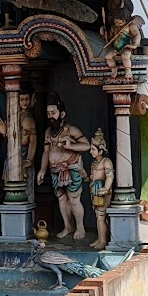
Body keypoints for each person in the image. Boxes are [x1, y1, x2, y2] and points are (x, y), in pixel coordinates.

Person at [37, 99, 92, 241]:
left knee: (74, 199)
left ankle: (80, 227)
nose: (50, 116)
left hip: (71, 167)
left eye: (53, 113)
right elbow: (46, 152)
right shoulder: (48, 132)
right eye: (48, 113)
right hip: (55, 170)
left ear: (62, 114)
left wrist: (71, 147)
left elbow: (86, 146)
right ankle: (68, 226)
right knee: (61, 199)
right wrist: (42, 169)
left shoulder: (71, 129)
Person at [88, 129, 113, 250]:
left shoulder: (106, 162)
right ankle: (99, 238)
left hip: (102, 191)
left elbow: (109, 176)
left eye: (93, 149)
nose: (91, 151)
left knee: (101, 216)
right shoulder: (94, 163)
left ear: (101, 150)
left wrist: (106, 188)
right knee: (98, 216)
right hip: (95, 190)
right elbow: (93, 177)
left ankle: (103, 240)